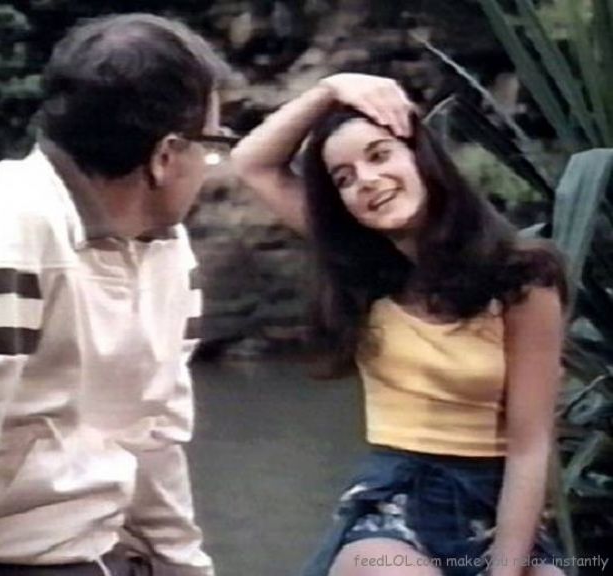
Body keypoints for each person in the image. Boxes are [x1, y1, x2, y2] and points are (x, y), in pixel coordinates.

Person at [0, 13, 237, 576]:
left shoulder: (165, 246)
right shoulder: (3, 231)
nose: (211, 166)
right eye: (211, 144)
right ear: (165, 156)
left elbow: (154, 433)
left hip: (92, 548)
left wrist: (183, 564)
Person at [231, 74, 568, 576]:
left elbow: (529, 444)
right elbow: (253, 162)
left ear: (421, 158)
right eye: (344, 178)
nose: (366, 180)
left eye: (380, 155)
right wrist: (331, 89)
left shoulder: (522, 276)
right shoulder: (360, 263)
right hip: (399, 502)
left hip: (499, 502)